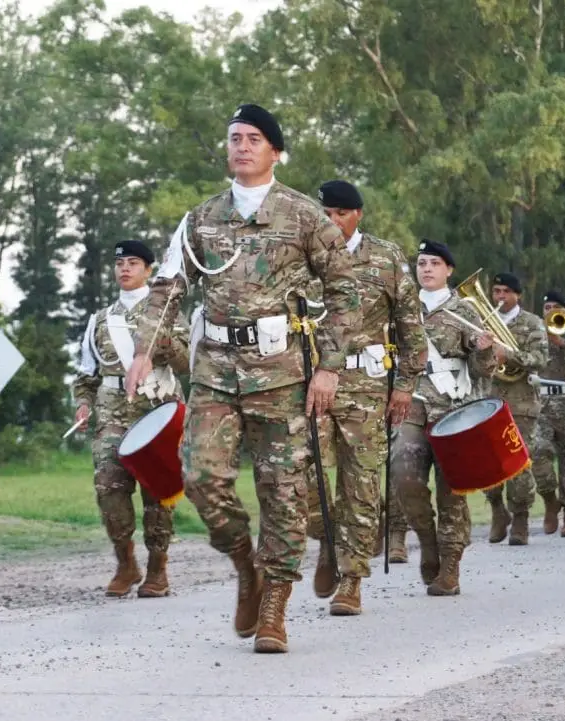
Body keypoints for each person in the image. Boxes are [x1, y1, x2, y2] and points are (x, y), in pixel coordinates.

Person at [125, 104, 362, 654]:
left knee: (283, 494)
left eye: (255, 138)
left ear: (276, 151)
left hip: (283, 376)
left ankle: (276, 605)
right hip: (214, 371)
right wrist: (143, 350)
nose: (242, 146)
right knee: (201, 476)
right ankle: (243, 562)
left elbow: (346, 293)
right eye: (235, 138)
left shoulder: (305, 217)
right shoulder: (201, 218)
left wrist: (329, 366)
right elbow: (168, 288)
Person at [309, 179, 427, 615]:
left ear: (357, 215)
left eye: (339, 213)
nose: (331, 221)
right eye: (325, 214)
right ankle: (326, 538)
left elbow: (411, 325)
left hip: (367, 387)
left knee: (361, 483)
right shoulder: (306, 256)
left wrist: (405, 386)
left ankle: (351, 578)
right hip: (313, 384)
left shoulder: (386, 257)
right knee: (302, 478)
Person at [72, 240, 189, 597]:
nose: (124, 268)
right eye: (120, 262)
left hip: (158, 412)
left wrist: (162, 342)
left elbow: (187, 363)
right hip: (112, 415)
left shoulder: (168, 314)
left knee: (158, 492)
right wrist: (83, 403)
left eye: (133, 263)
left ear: (148, 270)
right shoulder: (100, 320)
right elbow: (86, 376)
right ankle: (126, 563)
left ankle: (157, 567)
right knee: (108, 487)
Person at [392, 240, 497, 596]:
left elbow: (484, 370)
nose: (426, 269)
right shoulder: (403, 308)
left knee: (453, 491)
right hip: (412, 405)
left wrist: (485, 350)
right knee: (404, 479)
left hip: (454, 409)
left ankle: (450, 565)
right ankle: (427, 540)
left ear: (448, 270)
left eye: (434, 263)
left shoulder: (465, 309)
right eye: (421, 263)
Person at [484, 272, 549, 545]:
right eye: (496, 291)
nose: (500, 297)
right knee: (488, 463)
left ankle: (520, 517)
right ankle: (498, 509)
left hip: (522, 404)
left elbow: (540, 359)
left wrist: (507, 354)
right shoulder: (484, 323)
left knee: (518, 463)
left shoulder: (532, 323)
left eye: (505, 292)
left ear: (517, 295)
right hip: (489, 401)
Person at [529, 289, 565, 537]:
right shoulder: (535, 334)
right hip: (542, 404)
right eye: (546, 307)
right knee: (538, 454)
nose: (550, 311)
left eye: (556, 307)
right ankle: (549, 500)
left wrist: (563, 344)